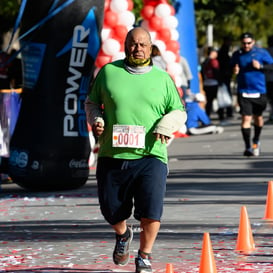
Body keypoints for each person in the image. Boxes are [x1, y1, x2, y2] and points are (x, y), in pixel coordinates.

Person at [84, 27, 186, 273]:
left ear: (150, 48)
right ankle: (122, 234)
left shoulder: (162, 79)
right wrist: (96, 119)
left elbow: (179, 111)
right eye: (132, 43)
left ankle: (145, 256)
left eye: (142, 44)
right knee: (111, 210)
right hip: (112, 154)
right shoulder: (109, 72)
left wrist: (166, 124)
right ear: (125, 45)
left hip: (151, 154)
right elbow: (91, 103)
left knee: (151, 210)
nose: (137, 48)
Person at [231, 32, 273, 156]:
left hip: (259, 91)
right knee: (246, 118)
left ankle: (256, 140)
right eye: (244, 43)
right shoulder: (237, 54)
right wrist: (234, 70)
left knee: (258, 118)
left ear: (253, 42)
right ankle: (248, 147)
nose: (246, 45)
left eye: (249, 43)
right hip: (243, 91)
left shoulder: (261, 53)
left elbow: (271, 66)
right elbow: (230, 68)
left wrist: (260, 66)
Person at [201, 47, 221, 120]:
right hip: (214, 83)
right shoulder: (214, 61)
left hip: (206, 83)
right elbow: (217, 72)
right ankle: (221, 116)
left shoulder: (205, 61)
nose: (217, 54)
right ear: (212, 52)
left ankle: (207, 117)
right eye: (215, 52)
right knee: (218, 100)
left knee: (209, 101)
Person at [217, 36, 234, 122]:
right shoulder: (223, 51)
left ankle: (227, 112)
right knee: (224, 95)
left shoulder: (226, 50)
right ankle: (225, 112)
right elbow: (225, 63)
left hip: (225, 76)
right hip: (223, 76)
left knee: (225, 94)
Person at [264, 35, 273, 123]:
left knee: (271, 99)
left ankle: (271, 115)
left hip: (268, 79)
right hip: (269, 78)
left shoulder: (265, 52)